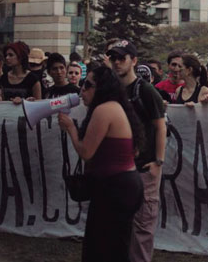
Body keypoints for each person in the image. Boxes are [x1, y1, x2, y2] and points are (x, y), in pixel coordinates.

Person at [57, 66, 144, 262]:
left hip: (116, 188)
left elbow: (86, 152)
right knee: (113, 247)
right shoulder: (114, 107)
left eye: (88, 85)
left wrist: (70, 128)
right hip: (121, 186)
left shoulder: (104, 109)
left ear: (102, 88)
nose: (82, 90)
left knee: (102, 249)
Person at [106, 40, 166, 262]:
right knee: (120, 223)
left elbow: (161, 125)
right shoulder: (112, 90)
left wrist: (158, 162)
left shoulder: (146, 90)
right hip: (120, 168)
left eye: (122, 58)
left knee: (142, 227)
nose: (117, 62)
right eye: (113, 58)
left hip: (144, 167)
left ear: (134, 60)